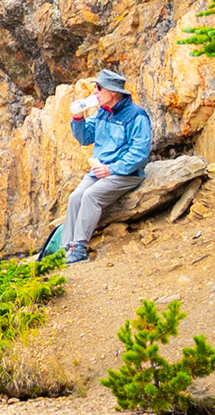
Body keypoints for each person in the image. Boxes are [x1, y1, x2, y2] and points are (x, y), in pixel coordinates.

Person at [57, 68, 152, 266]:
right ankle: (64, 249)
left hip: (125, 173)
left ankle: (79, 247)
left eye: (99, 88)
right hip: (99, 171)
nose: (95, 92)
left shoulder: (136, 115)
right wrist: (78, 118)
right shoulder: (103, 112)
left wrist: (112, 169)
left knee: (91, 196)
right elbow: (85, 138)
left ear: (113, 92)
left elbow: (140, 152)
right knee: (75, 196)